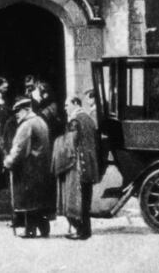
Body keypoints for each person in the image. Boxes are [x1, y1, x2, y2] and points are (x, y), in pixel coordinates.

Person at [3, 97, 53, 238]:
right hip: (42, 168)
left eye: (18, 111)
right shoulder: (41, 122)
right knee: (39, 200)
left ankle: (30, 230)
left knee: (29, 200)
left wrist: (8, 161)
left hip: (29, 168)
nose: (16, 114)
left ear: (26, 110)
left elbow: (19, 148)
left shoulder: (26, 125)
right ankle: (44, 227)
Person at [54, 97, 99, 240]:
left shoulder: (75, 121)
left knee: (77, 200)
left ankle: (82, 231)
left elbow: (70, 144)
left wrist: (57, 144)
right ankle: (85, 230)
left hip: (78, 166)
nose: (65, 108)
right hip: (89, 164)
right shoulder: (88, 119)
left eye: (67, 105)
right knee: (86, 201)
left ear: (75, 104)